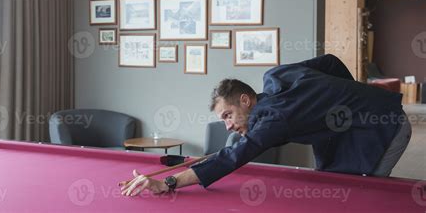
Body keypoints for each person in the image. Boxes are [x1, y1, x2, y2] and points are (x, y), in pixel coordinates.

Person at [120, 54, 412, 197]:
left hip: (385, 124)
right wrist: (350, 99)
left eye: (228, 115)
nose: (228, 125)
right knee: (333, 184)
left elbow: (233, 157)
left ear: (246, 100)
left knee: (361, 190)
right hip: (348, 128)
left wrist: (168, 182)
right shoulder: (275, 76)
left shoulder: (275, 118)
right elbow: (331, 62)